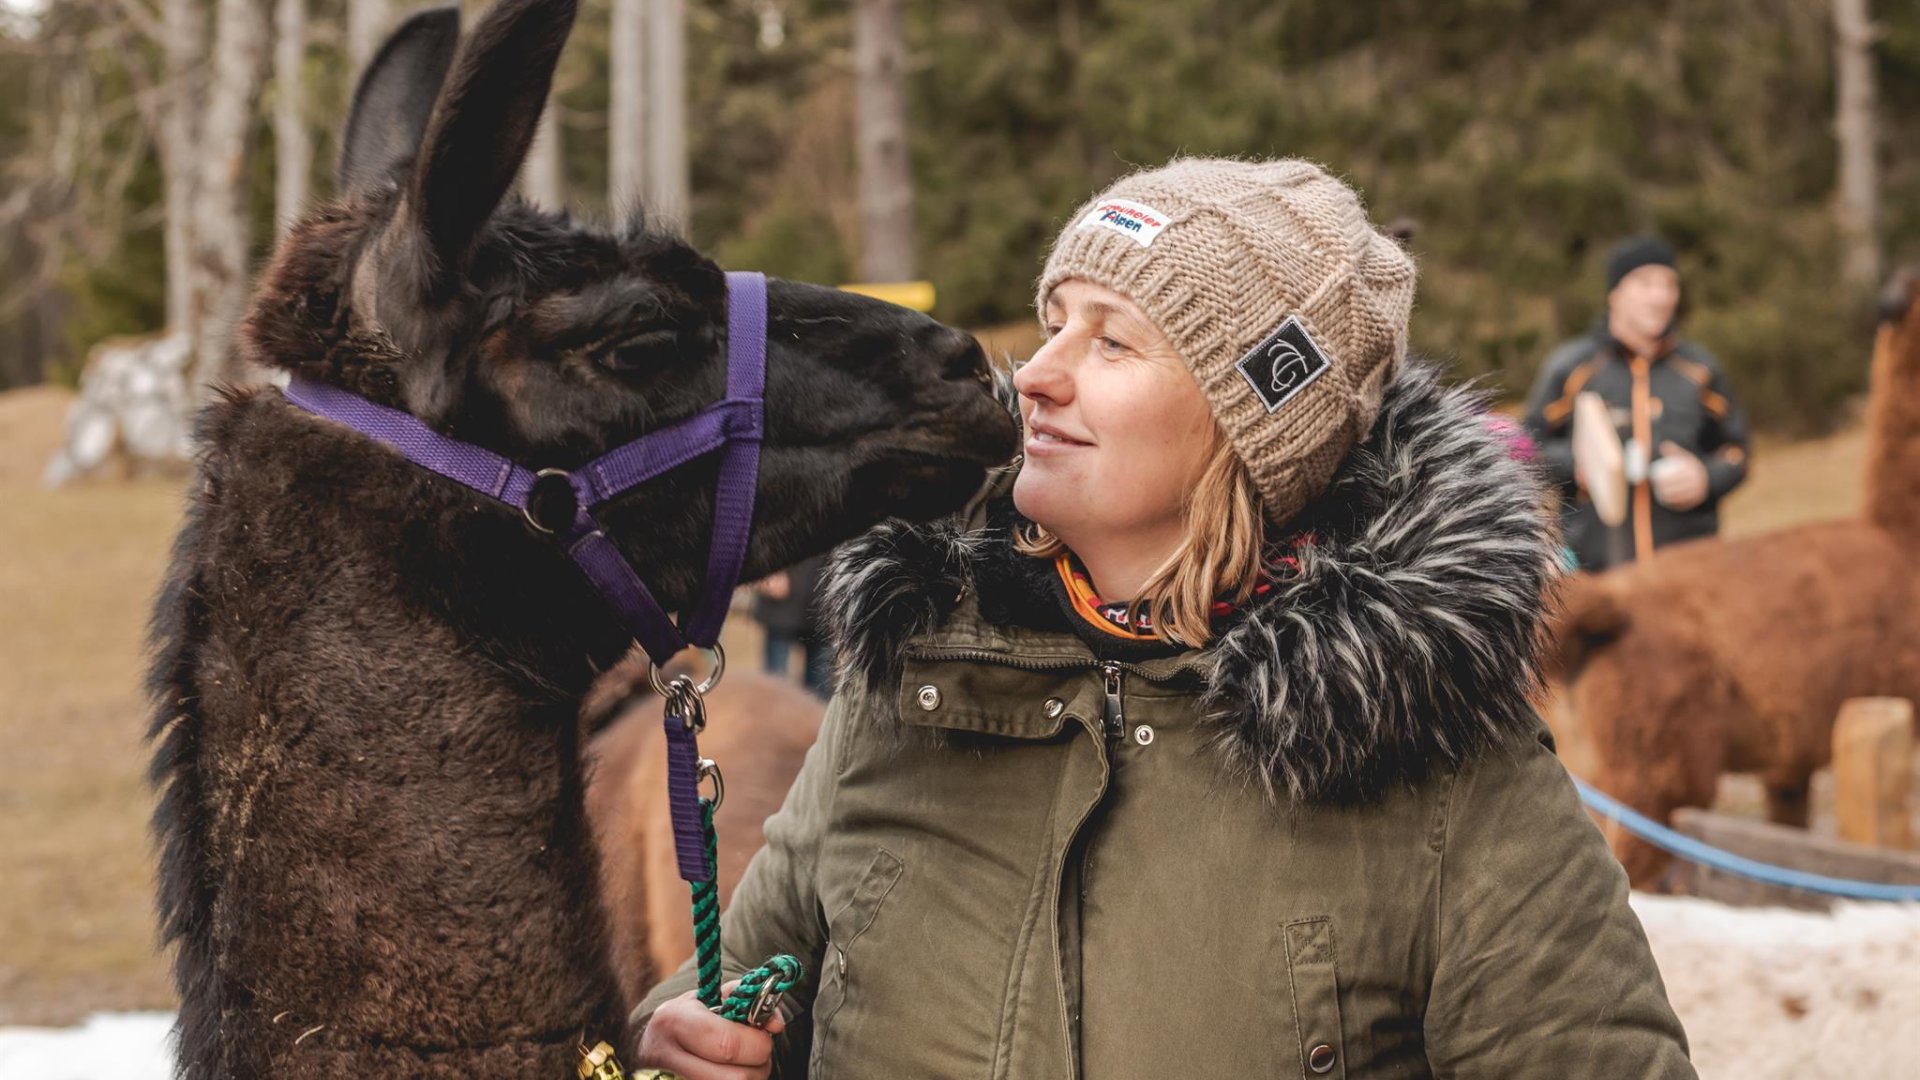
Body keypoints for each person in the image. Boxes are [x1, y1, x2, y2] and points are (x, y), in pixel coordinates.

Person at [633, 159, 1694, 1078]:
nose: (1036, 376)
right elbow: (731, 993)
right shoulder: (908, 682)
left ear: (1255, 428)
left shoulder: (1446, 765)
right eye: (1054, 327)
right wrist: (696, 1041)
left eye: (1113, 343)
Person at [1524, 235, 1752, 570]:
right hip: (1598, 572)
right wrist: (1580, 465)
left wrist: (1705, 476)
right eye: (1645, 284)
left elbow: (1737, 451)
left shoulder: (1699, 370)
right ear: (1615, 294)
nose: (1660, 297)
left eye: (1669, 285)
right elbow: (1527, 446)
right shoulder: (1573, 368)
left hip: (1689, 568)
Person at [750, 554, 834, 696]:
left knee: (819, 692)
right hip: (781, 604)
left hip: (823, 601)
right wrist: (768, 569)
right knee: (774, 685)